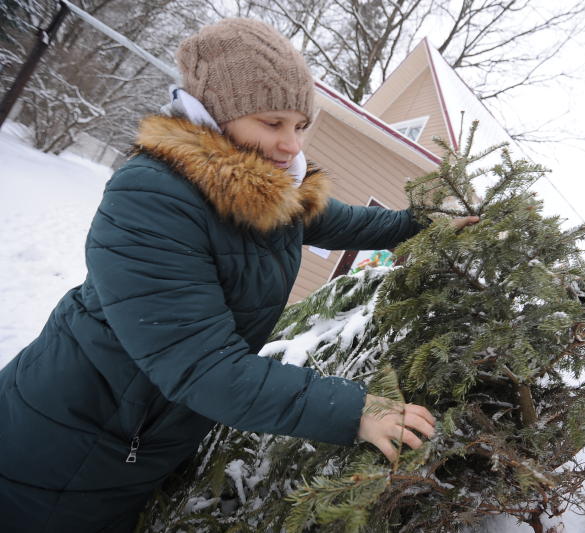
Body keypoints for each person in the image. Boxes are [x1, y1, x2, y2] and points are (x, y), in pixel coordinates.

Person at [0, 18, 477, 532]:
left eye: (299, 126)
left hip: (135, 441)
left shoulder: (272, 194)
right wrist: (355, 409)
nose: (291, 144)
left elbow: (353, 221)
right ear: (215, 116)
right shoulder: (153, 197)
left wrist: (425, 225)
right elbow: (202, 365)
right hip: (63, 448)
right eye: (272, 123)